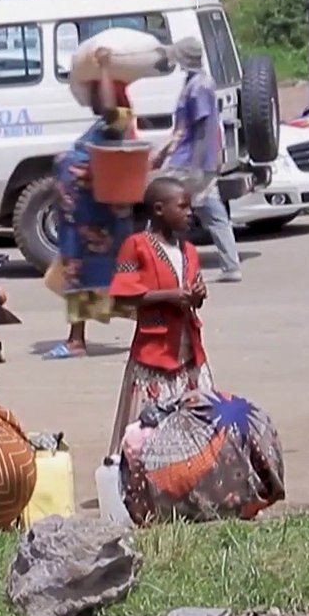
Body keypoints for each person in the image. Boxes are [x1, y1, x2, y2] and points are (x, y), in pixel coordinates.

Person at [106, 177, 213, 453]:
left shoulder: (188, 251)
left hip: (189, 354)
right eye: (182, 206)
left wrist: (196, 294)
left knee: (197, 426)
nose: (190, 212)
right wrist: (170, 296)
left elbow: (194, 297)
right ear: (158, 209)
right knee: (147, 432)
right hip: (153, 355)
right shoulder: (136, 245)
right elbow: (122, 294)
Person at [45, 51, 138, 360]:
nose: (95, 97)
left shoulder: (118, 120)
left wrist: (106, 69)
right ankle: (79, 340)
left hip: (94, 220)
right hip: (82, 221)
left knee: (89, 276)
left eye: (99, 91)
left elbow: (113, 107)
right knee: (89, 278)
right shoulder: (102, 126)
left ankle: (76, 341)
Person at [158, 37, 242, 283]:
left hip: (191, 161)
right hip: (197, 161)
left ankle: (167, 265)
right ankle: (230, 265)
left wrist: (200, 161)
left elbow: (201, 128)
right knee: (212, 212)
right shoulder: (196, 82)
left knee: (162, 203)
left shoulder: (198, 87)